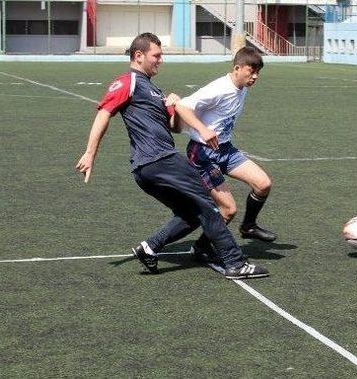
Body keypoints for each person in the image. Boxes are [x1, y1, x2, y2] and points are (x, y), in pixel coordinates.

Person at [75, 32, 268, 280]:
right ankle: (234, 262)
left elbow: (174, 126)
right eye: (156, 55)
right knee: (209, 205)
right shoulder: (128, 81)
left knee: (190, 214)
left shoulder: (153, 89)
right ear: (138, 55)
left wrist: (174, 105)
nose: (161, 60)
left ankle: (149, 248)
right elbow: (104, 112)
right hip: (160, 159)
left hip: (148, 169)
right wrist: (90, 153)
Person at [175, 47, 276, 260]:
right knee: (228, 209)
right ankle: (201, 246)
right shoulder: (219, 88)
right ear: (237, 68)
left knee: (263, 184)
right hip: (202, 153)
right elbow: (182, 106)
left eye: (258, 72)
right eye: (252, 71)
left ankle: (248, 226)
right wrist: (203, 129)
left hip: (225, 149)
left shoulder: (242, 87)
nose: (255, 76)